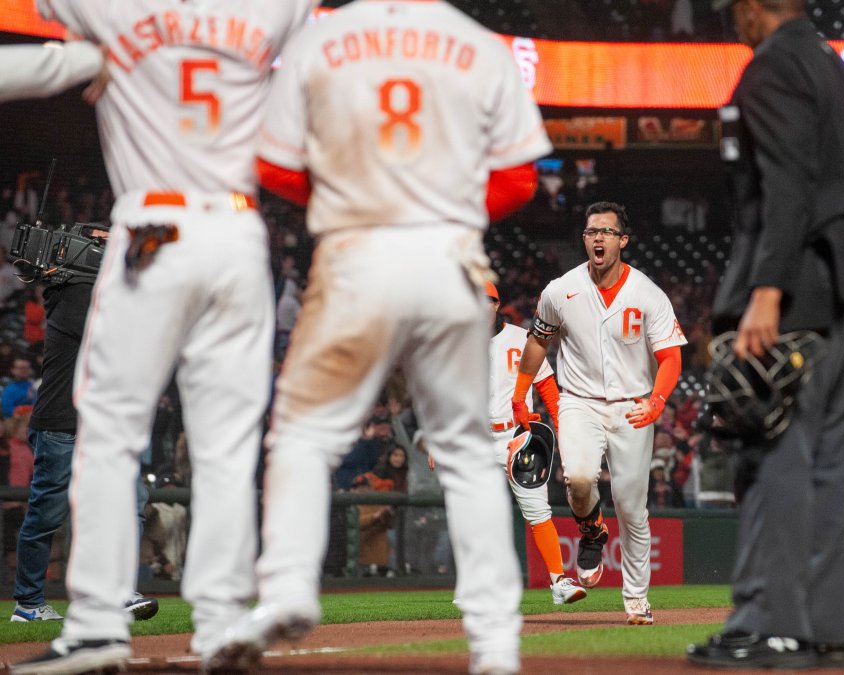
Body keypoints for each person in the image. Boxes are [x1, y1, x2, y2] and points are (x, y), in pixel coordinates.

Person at [218, 2, 553, 673]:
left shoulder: (323, 38)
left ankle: (285, 589)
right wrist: (444, 208)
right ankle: (494, 643)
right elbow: (520, 178)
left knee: (305, 434)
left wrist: (351, 196)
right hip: (450, 256)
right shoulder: (481, 44)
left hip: (356, 251)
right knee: (464, 453)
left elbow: (274, 164)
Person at [4, 2, 315, 673]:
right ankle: (224, 616)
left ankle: (94, 624)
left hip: (152, 226)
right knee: (227, 442)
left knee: (110, 431)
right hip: (237, 234)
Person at [688, 0, 844, 669]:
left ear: (756, 8)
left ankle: (772, 624)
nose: (730, 18)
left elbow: (787, 187)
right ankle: (835, 632)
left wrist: (766, 289)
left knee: (776, 449)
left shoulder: (772, 68)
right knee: (832, 462)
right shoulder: (843, 72)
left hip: (800, 278)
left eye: (735, 8)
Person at [512, 200, 687, 625]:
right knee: (579, 479)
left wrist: (658, 401)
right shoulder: (561, 289)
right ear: (585, 239)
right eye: (592, 231)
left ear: (622, 240)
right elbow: (538, 341)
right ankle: (592, 530)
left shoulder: (648, 293)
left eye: (607, 231)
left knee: (631, 507)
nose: (598, 238)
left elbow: (670, 358)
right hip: (579, 400)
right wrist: (520, 394)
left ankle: (636, 599)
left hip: (633, 405)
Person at [11, 228, 158, 624]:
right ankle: (28, 604)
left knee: (131, 503)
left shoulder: (95, 295)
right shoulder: (75, 295)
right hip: (63, 423)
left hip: (101, 426)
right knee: (47, 513)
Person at [483, 280, 587, 605]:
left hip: (518, 435)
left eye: (486, 301)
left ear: (497, 304)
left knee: (538, 511)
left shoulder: (522, 338)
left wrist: (565, 429)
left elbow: (548, 389)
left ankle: (558, 582)